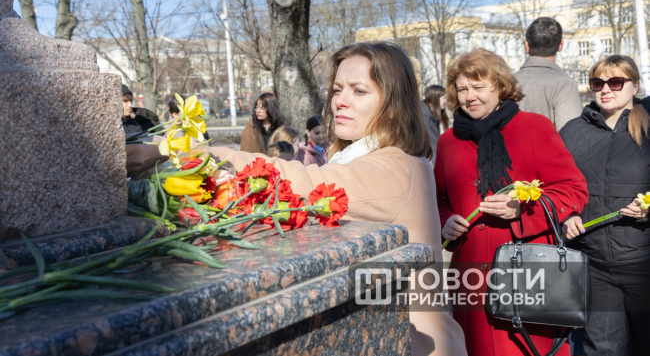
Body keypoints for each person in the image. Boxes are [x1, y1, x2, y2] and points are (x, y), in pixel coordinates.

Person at [200, 41, 468, 356]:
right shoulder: (381, 158)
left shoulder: (395, 168)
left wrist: (198, 156)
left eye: (359, 91)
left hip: (413, 343)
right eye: (337, 89)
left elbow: (304, 182)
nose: (340, 100)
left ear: (393, 103)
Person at [436, 48, 588, 356]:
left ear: (500, 86)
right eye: (462, 89)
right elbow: (438, 199)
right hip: (472, 278)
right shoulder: (448, 141)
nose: (469, 97)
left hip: (529, 273)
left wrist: (522, 211)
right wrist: (445, 220)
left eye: (479, 87)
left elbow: (573, 189)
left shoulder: (534, 127)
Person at [559, 55, 650, 356]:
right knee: (602, 349)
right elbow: (554, 184)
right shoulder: (572, 131)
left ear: (635, 85)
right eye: (598, 83)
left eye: (616, 82)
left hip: (643, 262)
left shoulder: (648, 128)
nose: (606, 89)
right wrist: (566, 214)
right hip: (593, 264)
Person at [515, 17, 582, 131]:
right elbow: (571, 134)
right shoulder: (564, 83)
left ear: (527, 46)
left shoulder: (508, 81)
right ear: (560, 45)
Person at [421, 85, 449, 165]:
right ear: (435, 99)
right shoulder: (425, 118)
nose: (446, 100)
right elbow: (433, 147)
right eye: (444, 98)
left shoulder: (435, 115)